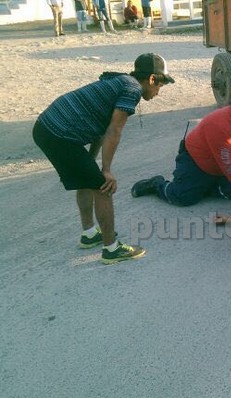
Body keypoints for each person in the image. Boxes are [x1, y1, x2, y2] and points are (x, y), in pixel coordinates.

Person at [32, 53, 175, 264]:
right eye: (160, 86)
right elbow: (114, 131)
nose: (158, 93)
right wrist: (106, 171)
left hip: (46, 127)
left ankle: (89, 234)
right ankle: (111, 249)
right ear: (152, 79)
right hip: (59, 134)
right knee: (103, 187)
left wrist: (92, 162)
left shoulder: (119, 82)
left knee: (88, 179)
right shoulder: (132, 89)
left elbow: (102, 130)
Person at [131, 86, 231, 207]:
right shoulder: (220, 124)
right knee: (182, 197)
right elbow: (227, 163)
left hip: (227, 166)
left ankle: (205, 186)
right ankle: (156, 184)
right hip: (197, 163)